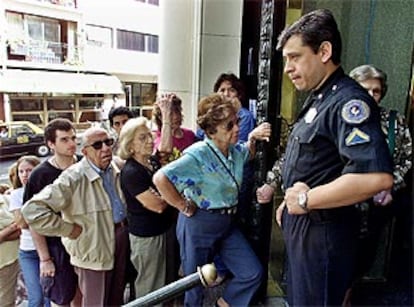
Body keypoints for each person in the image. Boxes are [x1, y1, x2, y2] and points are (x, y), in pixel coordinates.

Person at [257, 9, 394, 306]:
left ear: (324, 51)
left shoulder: (348, 101)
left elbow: (376, 177)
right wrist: (289, 203)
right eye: (285, 61)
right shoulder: (320, 99)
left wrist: (306, 200)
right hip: (304, 227)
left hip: (323, 232)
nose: (287, 68)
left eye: (295, 57)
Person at [153, 93, 271, 307]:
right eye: (229, 125)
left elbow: (248, 154)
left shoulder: (234, 151)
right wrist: (182, 205)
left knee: (252, 272)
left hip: (226, 224)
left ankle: (223, 303)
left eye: (236, 123)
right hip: (199, 223)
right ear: (211, 131)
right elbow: (160, 178)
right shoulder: (197, 155)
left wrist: (252, 138)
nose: (236, 129)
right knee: (194, 286)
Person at [22, 127, 128, 306]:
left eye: (108, 142)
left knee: (115, 298)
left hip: (119, 237)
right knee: (96, 301)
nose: (105, 148)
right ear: (85, 151)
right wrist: (68, 230)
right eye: (97, 145)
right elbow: (32, 211)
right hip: (92, 249)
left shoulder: (114, 167)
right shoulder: (73, 177)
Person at [23, 118, 82, 307]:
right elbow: (33, 220)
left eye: (73, 138)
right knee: (62, 298)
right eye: (64, 140)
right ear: (50, 144)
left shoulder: (84, 164)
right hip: (57, 248)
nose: (72, 144)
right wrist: (45, 259)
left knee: (84, 296)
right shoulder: (40, 175)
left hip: (85, 242)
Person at [118, 117, 174, 299]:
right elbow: (157, 205)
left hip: (162, 230)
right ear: (130, 146)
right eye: (142, 138)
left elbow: (165, 152)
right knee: (150, 286)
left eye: (149, 135)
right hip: (147, 236)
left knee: (163, 282)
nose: (150, 140)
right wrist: (172, 191)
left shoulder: (151, 163)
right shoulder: (132, 172)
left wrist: (165, 192)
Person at [8, 155, 45, 307]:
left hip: (49, 247)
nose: (24, 175)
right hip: (28, 250)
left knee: (50, 296)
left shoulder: (47, 191)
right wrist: (42, 218)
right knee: (36, 297)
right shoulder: (17, 194)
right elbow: (21, 223)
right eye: (21, 171)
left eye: (29, 170)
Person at [152, 93, 196, 165]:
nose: (176, 117)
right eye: (171, 113)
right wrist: (166, 116)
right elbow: (164, 150)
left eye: (178, 111)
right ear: (160, 117)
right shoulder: (155, 136)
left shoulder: (190, 134)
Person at [0, 183, 21, 307]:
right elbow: (17, 226)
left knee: (6, 302)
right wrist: (11, 228)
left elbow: (21, 228)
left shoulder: (8, 201)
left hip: (7, 262)